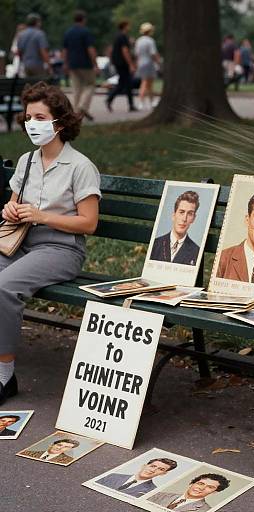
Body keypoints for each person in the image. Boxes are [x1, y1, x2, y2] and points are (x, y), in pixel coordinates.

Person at [0, 82, 101, 405]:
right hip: (21, 242)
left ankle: (4, 376)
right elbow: (14, 206)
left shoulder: (81, 166)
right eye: (28, 117)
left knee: (3, 287)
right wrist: (10, 209)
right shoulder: (27, 161)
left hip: (61, 249)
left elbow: (89, 222)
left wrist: (42, 216)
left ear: (59, 121)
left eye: (39, 116)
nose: (32, 124)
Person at [63, 10, 98, 121]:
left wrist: (65, 63)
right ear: (83, 19)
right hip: (85, 63)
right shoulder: (85, 32)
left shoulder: (68, 32)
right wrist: (95, 63)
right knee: (90, 84)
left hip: (72, 64)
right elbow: (90, 49)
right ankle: (82, 107)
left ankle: (75, 112)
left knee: (76, 88)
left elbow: (65, 50)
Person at [150, 191, 201, 265]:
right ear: (174, 215)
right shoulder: (156, 244)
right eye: (181, 212)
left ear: (193, 218)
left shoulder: (196, 251)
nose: (184, 219)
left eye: (190, 214)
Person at [96, 457, 177, 498]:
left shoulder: (152, 492)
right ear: (144, 466)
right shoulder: (113, 476)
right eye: (153, 466)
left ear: (163, 473)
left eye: (160, 469)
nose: (153, 470)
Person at [148, 473, 230, 511]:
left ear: (214, 492)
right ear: (191, 483)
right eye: (200, 483)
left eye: (210, 487)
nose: (202, 488)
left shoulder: (205, 510)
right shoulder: (160, 495)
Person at [106, 20, 137, 112]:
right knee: (126, 83)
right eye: (128, 25)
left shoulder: (118, 36)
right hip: (123, 64)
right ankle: (110, 99)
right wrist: (131, 64)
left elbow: (113, 50)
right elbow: (125, 51)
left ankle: (129, 104)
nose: (129, 27)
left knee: (124, 83)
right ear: (124, 26)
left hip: (118, 63)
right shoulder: (123, 36)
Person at [135, 22, 160, 110]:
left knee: (148, 84)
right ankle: (142, 102)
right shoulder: (150, 41)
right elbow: (153, 53)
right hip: (149, 63)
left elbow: (137, 54)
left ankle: (151, 101)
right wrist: (158, 62)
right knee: (146, 83)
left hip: (141, 64)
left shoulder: (139, 41)